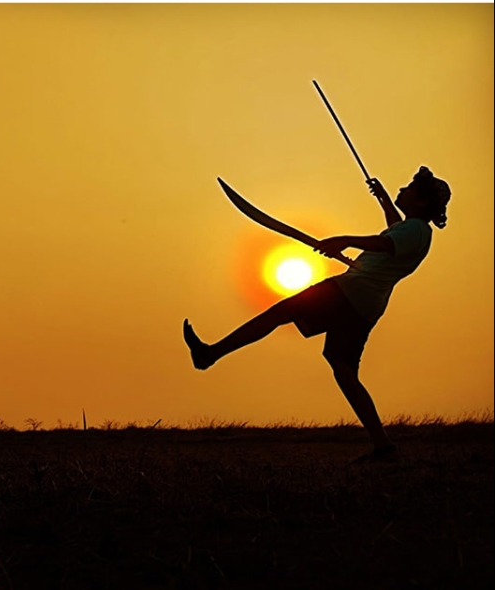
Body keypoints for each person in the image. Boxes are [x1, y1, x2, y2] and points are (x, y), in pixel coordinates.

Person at [183, 166, 451, 463]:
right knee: (344, 371)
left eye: (409, 188)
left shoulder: (416, 230)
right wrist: (385, 199)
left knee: (280, 312)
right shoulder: (414, 230)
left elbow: (386, 242)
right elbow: (393, 231)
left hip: (349, 292)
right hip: (366, 306)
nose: (403, 190)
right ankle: (384, 448)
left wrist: (344, 240)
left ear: (423, 202)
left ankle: (211, 354)